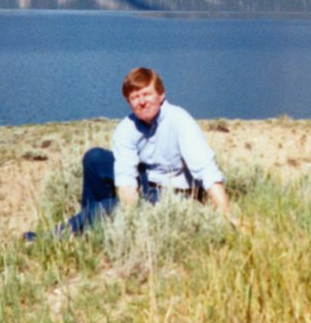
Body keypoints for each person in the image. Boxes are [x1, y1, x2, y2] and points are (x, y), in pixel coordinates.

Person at [41, 67, 233, 237]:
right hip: (145, 182)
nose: (142, 102)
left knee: (109, 207)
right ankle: (95, 228)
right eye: (135, 97)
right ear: (128, 102)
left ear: (161, 95)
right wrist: (129, 211)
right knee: (95, 158)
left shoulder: (180, 121)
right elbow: (125, 177)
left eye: (146, 94)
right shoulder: (126, 128)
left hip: (175, 192)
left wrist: (227, 216)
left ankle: (57, 235)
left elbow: (206, 170)